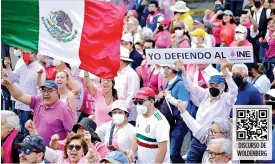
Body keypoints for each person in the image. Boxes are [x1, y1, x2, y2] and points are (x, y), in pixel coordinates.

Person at [175, 59, 238, 163]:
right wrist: (183, 71)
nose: (213, 88)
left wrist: (225, 72)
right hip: (198, 139)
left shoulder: (226, 99)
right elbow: (190, 86)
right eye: (211, 85)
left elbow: (234, 90)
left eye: (216, 86)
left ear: (222, 87)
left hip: (214, 141)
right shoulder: (205, 94)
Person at [1, 77, 75, 146]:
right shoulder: (38, 101)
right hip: (36, 149)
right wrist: (9, 85)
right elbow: (20, 96)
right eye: (43, 90)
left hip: (53, 154)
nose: (46, 94)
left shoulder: (64, 109)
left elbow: (72, 133)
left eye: (49, 91)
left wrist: (61, 147)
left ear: (57, 93)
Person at [3, 49, 46, 135]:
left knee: (26, 132)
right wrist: (8, 66)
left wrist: (37, 107)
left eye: (27, 53)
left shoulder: (40, 69)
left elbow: (40, 89)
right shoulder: (23, 67)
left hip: (29, 107)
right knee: (16, 130)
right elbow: (12, 78)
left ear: (34, 55)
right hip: (18, 103)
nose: (24, 55)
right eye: (23, 53)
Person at [128, 87, 170, 163]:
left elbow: (163, 150)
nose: (138, 105)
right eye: (136, 102)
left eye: (141, 102)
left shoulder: (160, 121)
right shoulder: (139, 116)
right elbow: (137, 137)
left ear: (152, 101)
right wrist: (132, 150)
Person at [158, 64, 190, 163]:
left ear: (170, 70)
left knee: (173, 153)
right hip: (170, 121)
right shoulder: (167, 83)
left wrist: (168, 97)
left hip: (180, 122)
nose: (162, 70)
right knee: (169, 152)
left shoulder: (181, 84)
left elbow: (184, 105)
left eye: (164, 68)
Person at [114, 46, 140, 126]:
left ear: (121, 61)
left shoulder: (132, 75)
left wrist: (122, 111)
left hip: (128, 116)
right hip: (116, 113)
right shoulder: (116, 73)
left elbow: (132, 96)